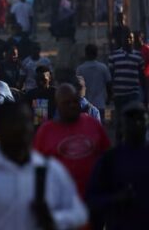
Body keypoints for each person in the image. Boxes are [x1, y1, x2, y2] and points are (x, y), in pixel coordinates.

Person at [0, 100, 88, 230]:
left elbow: (79, 214)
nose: (20, 129)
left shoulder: (51, 171)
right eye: (12, 124)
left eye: (25, 123)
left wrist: (53, 219)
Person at [34, 83, 111, 199]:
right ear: (58, 105)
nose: (72, 105)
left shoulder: (92, 123)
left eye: (75, 101)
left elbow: (107, 157)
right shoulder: (45, 131)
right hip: (60, 200)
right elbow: (36, 169)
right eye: (66, 103)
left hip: (92, 198)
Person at [86, 101, 149, 230]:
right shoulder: (110, 159)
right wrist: (116, 199)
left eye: (140, 119)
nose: (136, 124)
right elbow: (93, 199)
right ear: (122, 126)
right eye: (131, 119)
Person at [107, 32, 147, 140]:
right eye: (127, 38)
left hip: (133, 94)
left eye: (131, 38)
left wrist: (146, 93)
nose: (129, 40)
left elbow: (142, 76)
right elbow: (110, 76)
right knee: (119, 122)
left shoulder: (138, 56)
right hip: (119, 94)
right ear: (122, 39)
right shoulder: (114, 55)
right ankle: (119, 146)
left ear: (133, 40)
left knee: (133, 120)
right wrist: (110, 93)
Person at [76, 44, 112, 119]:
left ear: (85, 54)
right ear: (96, 54)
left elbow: (77, 86)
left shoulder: (80, 69)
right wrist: (109, 99)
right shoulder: (103, 68)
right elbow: (109, 84)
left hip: (84, 105)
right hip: (100, 104)